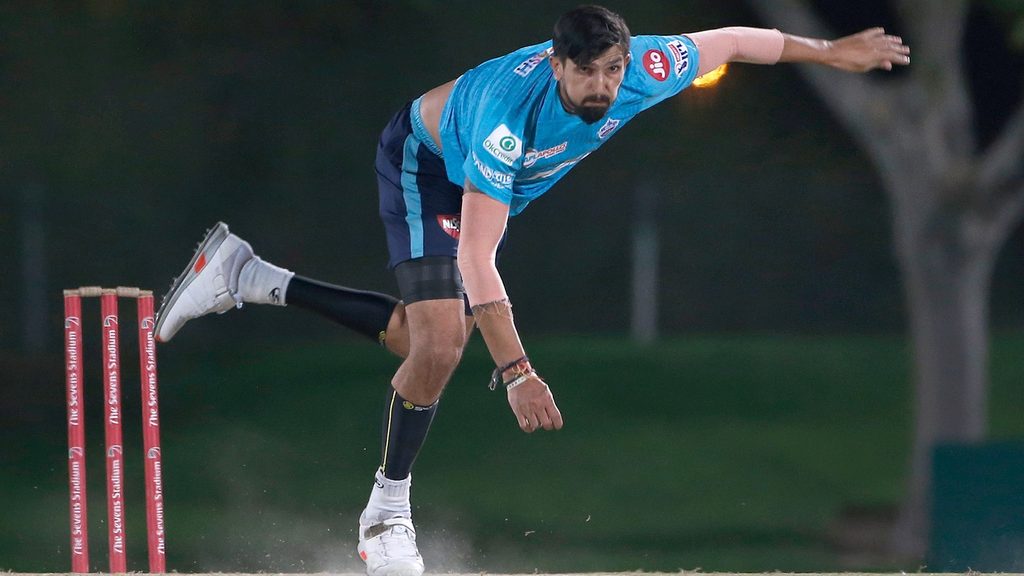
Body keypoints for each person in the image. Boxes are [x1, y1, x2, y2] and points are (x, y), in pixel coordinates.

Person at [155, 5, 910, 575]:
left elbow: (739, 41)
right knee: (445, 343)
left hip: (473, 191)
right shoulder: (504, 124)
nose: (604, 88)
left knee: (423, 342)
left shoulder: (643, 70)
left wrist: (831, 52)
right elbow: (481, 261)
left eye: (613, 70)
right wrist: (516, 371)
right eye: (588, 74)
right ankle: (386, 513)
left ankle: (245, 275)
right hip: (427, 168)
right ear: (557, 66)